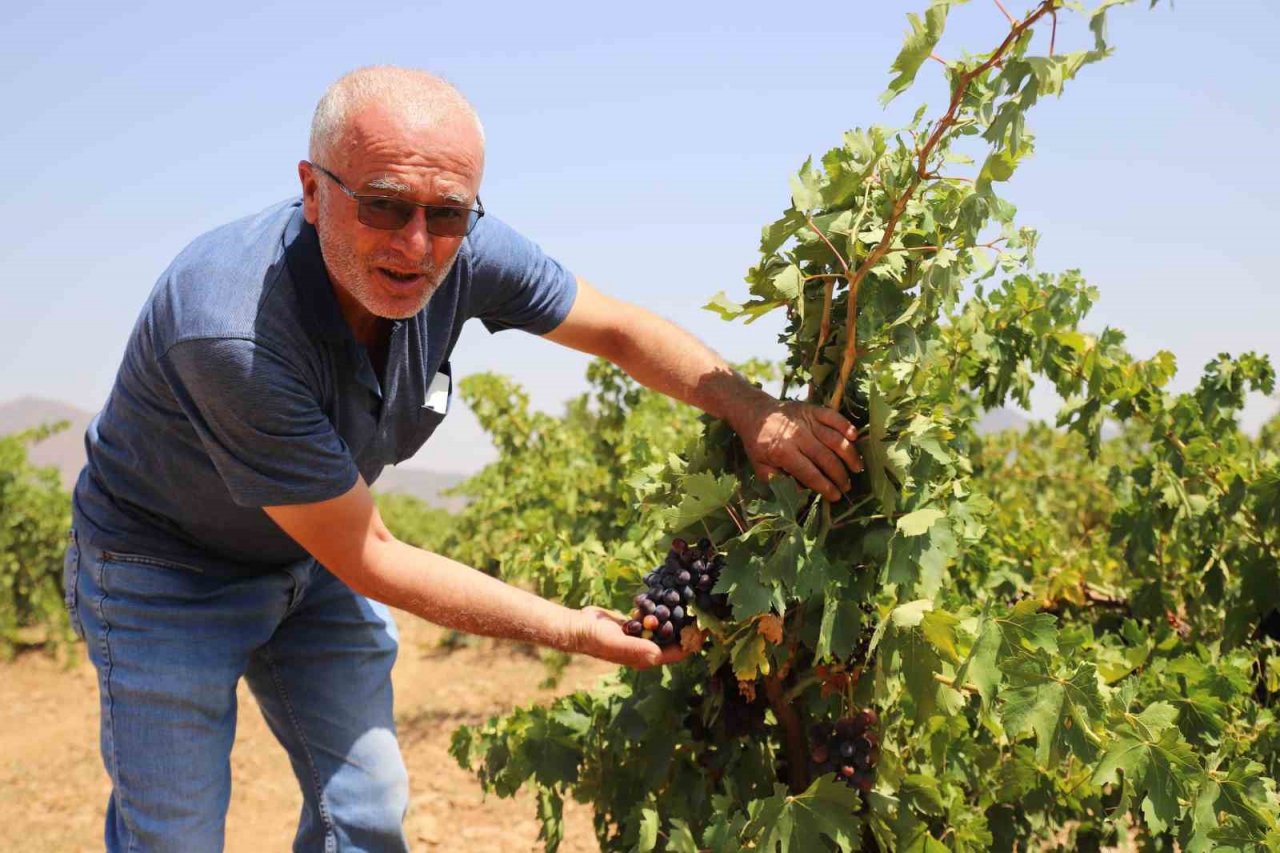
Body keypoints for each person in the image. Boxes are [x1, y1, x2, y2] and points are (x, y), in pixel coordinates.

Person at [64, 66, 864, 852]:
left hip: (308, 563)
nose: (417, 243)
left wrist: (755, 410)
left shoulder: (465, 245)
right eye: (383, 205)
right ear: (313, 191)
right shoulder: (232, 330)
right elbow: (371, 554)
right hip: (162, 571)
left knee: (367, 810)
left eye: (447, 213)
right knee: (173, 835)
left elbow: (616, 328)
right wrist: (572, 630)